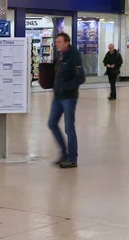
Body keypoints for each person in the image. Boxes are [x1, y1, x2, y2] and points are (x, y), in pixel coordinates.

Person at [48, 33, 85, 169]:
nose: (56, 44)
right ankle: (63, 152)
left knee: (69, 128)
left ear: (66, 43)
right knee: (52, 123)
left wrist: (65, 87)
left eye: (59, 42)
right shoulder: (60, 55)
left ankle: (72, 158)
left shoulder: (74, 57)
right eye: (56, 42)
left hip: (69, 97)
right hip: (58, 97)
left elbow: (81, 78)